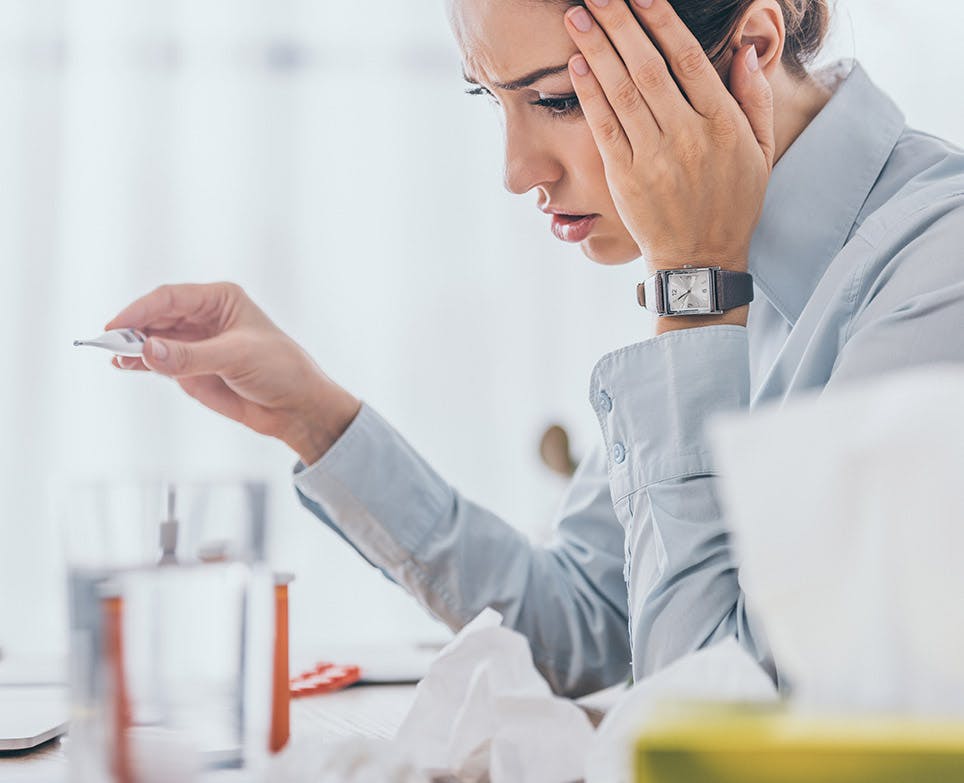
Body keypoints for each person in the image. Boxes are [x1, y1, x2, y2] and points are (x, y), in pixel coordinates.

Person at [106, 0, 964, 697]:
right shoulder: (730, 264)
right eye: (495, 98)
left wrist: (694, 287)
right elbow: (589, 613)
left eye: (554, 99)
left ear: (748, 50)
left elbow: (717, 716)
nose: (517, 170)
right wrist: (313, 415)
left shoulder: (934, 274)